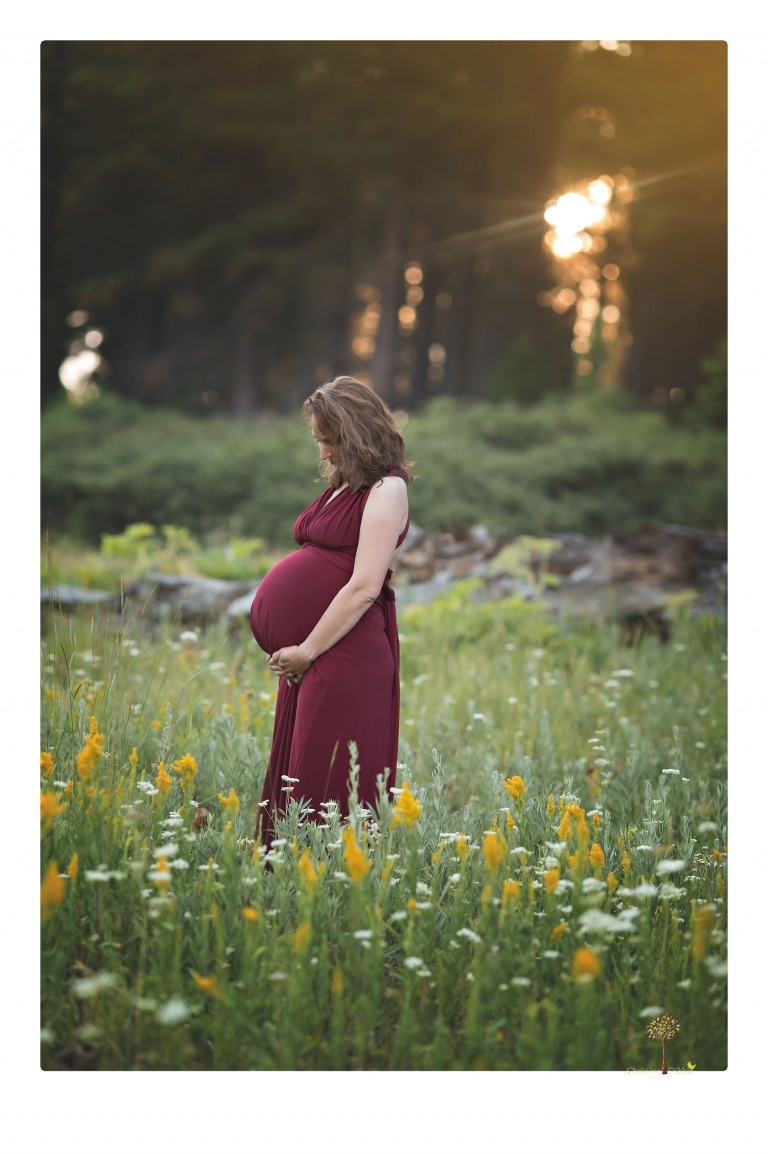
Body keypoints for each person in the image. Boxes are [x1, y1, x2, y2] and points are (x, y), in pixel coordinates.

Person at [250, 376, 413, 845]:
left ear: (357, 434)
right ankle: (294, 880)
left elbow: (364, 587)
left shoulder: (387, 490)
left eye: (330, 440)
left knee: (327, 783)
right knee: (301, 781)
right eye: (318, 440)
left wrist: (305, 649)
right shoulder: (344, 486)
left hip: (345, 654)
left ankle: (327, 880)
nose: (322, 453)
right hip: (318, 651)